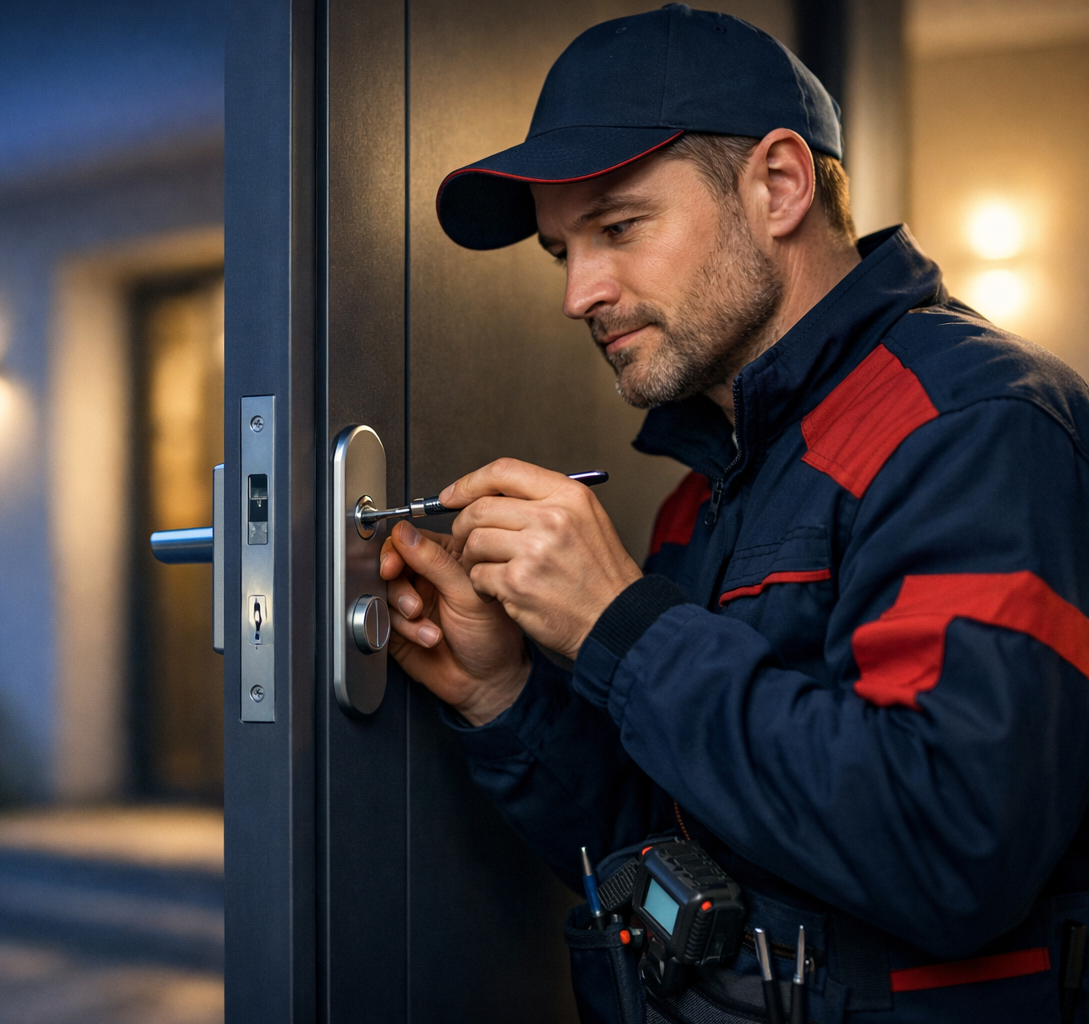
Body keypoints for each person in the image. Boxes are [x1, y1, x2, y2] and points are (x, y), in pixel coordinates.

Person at [380, 5, 1089, 1023]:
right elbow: (679, 841)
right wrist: (505, 696)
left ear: (780, 185)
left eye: (619, 227)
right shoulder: (704, 490)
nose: (581, 292)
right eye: (561, 252)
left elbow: (952, 849)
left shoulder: (976, 425)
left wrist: (621, 626)